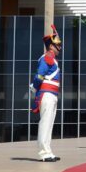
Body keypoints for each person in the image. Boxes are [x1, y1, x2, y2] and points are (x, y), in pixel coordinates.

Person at [31, 25, 63, 162]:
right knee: (45, 123)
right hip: (47, 94)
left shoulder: (52, 59)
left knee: (49, 123)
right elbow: (39, 76)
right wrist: (35, 88)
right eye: (57, 45)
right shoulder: (47, 58)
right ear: (51, 46)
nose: (59, 47)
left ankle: (48, 151)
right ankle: (44, 152)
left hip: (52, 95)